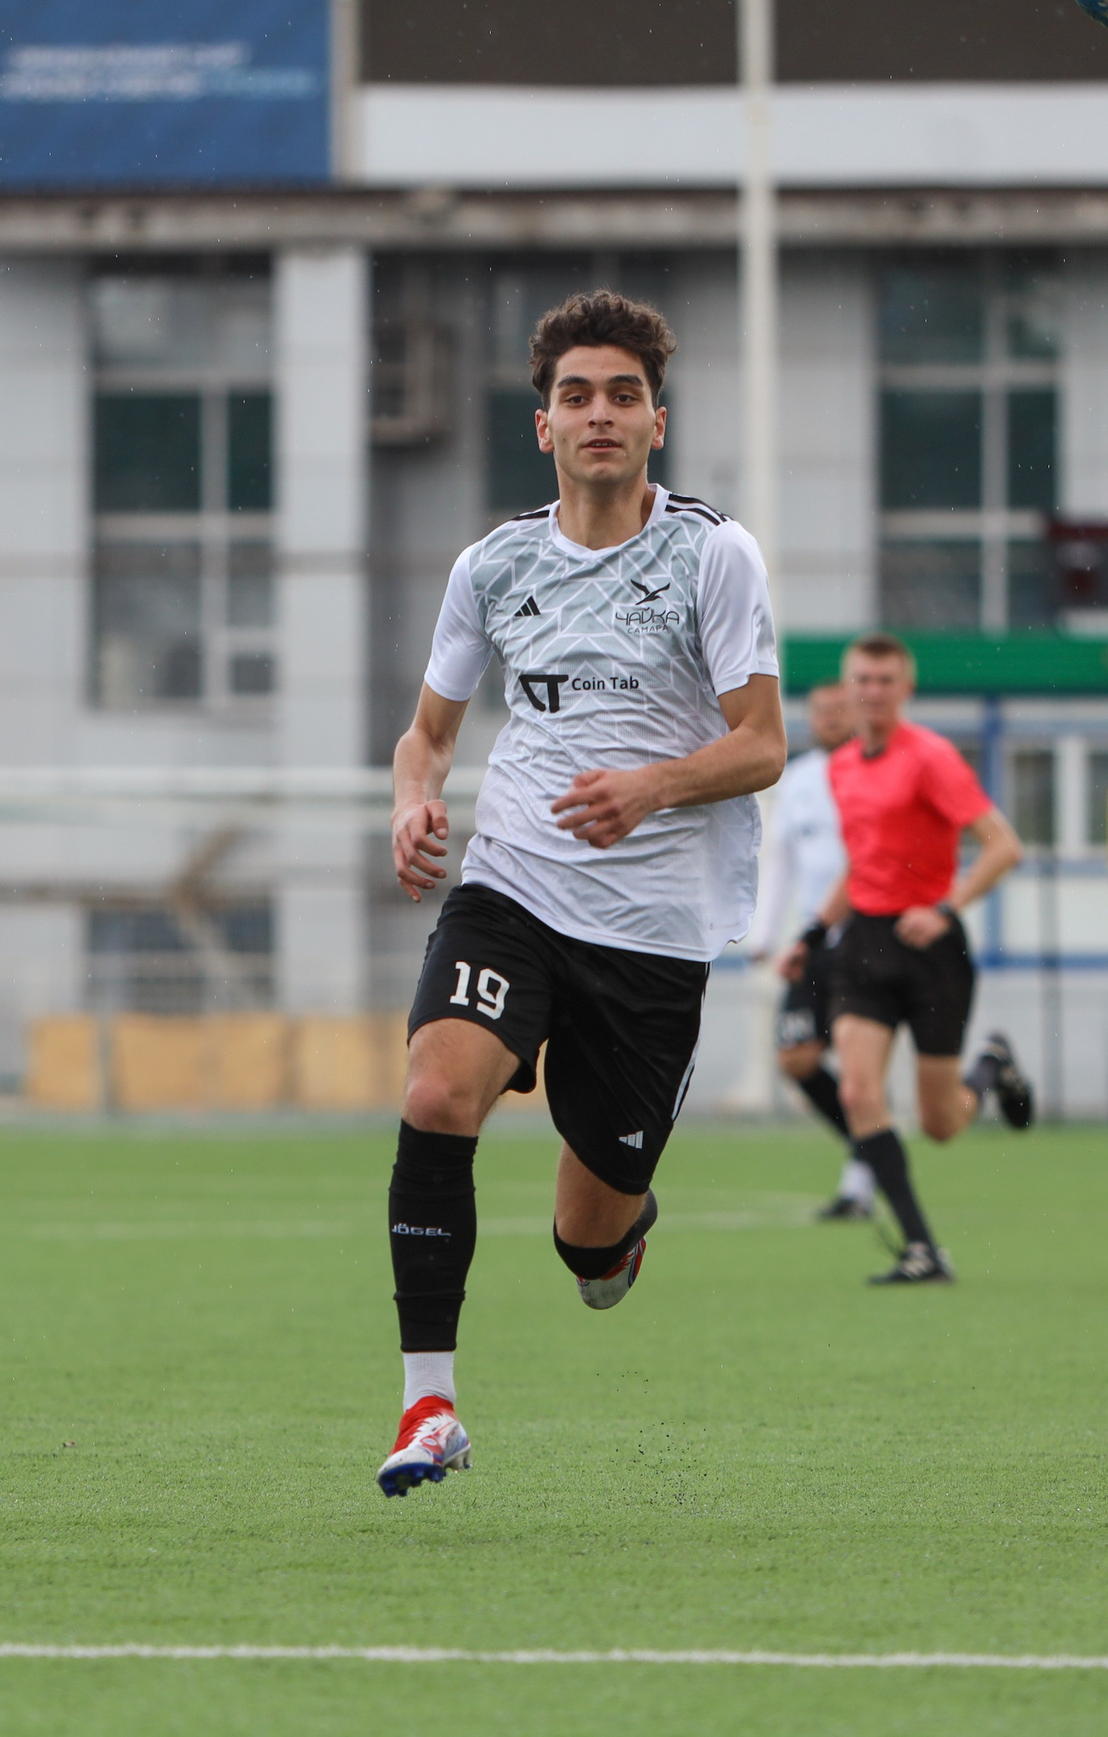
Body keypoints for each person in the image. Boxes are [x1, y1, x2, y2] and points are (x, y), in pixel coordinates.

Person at [375, 291, 788, 1498]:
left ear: (654, 422)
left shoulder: (713, 553)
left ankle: (619, 1227)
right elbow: (425, 735)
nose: (597, 414)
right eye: (574, 395)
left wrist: (652, 788)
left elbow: (760, 744)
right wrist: (412, 803)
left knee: (587, 1242)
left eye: (620, 395)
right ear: (541, 424)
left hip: (651, 931)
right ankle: (428, 1404)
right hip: (512, 887)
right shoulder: (494, 565)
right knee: (438, 1090)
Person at [791, 632, 1034, 1288]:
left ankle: (991, 1068)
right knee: (859, 1089)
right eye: (861, 680)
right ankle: (922, 1249)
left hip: (932, 949)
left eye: (884, 680)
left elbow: (1002, 846)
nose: (871, 691)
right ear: (847, 687)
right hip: (864, 945)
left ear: (907, 688)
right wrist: (812, 934)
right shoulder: (841, 766)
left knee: (942, 1122)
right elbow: (861, 864)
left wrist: (947, 907)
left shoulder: (932, 757)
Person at [747, 680, 869, 1219]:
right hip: (811, 942)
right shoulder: (795, 780)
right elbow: (780, 859)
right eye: (821, 710)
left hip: (867, 939)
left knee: (865, 1068)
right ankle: (869, 1146)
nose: (830, 717)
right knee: (797, 1059)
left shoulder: (874, 772)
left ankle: (860, 1183)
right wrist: (765, 933)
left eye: (840, 708)